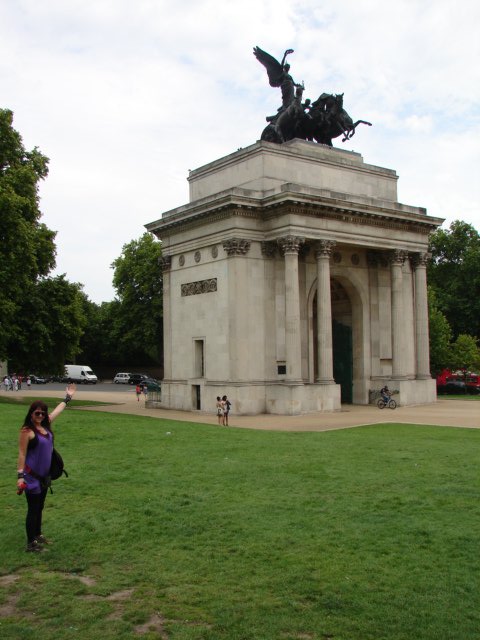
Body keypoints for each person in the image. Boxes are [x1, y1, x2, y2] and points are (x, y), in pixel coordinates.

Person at [16, 383, 76, 552]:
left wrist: (67, 398)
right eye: (37, 413)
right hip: (31, 477)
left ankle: (37, 534)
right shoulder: (27, 431)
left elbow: (57, 411)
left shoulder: (45, 425)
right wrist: (20, 477)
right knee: (33, 509)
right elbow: (21, 454)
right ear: (31, 413)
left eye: (43, 413)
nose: (40, 415)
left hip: (44, 477)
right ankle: (31, 544)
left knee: (40, 507)